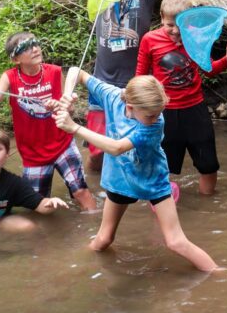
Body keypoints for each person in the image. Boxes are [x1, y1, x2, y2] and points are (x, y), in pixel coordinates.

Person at [54, 70, 218, 272]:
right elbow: (76, 72)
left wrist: (74, 128)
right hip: (120, 180)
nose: (156, 118)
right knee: (103, 239)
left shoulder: (155, 125)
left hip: (153, 181)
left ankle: (218, 274)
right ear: (130, 106)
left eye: (159, 112)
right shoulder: (113, 96)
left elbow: (117, 148)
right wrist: (66, 95)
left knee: (176, 242)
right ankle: (75, 268)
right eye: (150, 115)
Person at [75, 0, 179, 171]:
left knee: (133, 150)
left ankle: (126, 188)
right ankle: (96, 185)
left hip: (134, 87)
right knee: (97, 152)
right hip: (101, 84)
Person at [0, 32, 97, 211]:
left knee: (81, 192)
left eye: (35, 43)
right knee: (40, 205)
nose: (34, 49)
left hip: (63, 143)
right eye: (26, 47)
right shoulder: (10, 77)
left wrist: (61, 106)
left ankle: (97, 223)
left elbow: (68, 109)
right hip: (33, 154)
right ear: (15, 59)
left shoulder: (55, 72)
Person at [136, 0, 227, 195]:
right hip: (164, 111)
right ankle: (164, 203)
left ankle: (207, 203)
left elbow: (209, 69)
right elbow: (140, 77)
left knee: (208, 165)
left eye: (181, 26)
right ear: (161, 18)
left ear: (189, 22)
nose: (176, 31)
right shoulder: (150, 40)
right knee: (163, 166)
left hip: (195, 109)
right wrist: (136, 109)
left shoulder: (195, 37)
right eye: (170, 25)